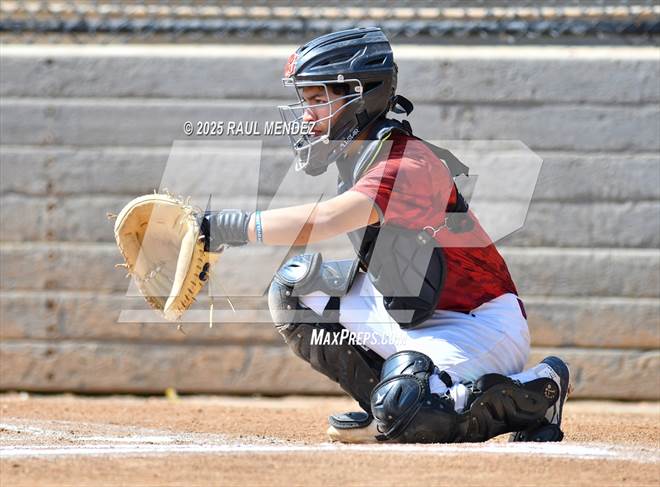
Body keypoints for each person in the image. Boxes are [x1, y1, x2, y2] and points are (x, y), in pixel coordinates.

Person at [202, 27, 569, 444]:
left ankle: (540, 390)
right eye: (306, 101)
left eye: (318, 100)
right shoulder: (359, 157)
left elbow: (326, 219)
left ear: (361, 97)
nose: (306, 115)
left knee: (415, 414)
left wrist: (226, 226)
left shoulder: (408, 164)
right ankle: (384, 405)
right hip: (413, 314)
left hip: (477, 324)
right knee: (296, 289)